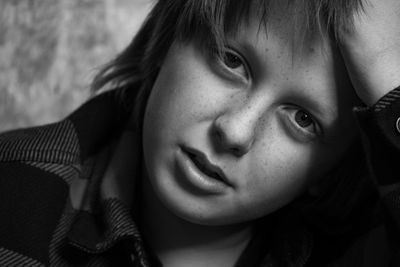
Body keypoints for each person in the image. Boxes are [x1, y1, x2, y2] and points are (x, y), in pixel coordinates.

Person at [0, 0, 399, 266]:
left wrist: (388, 82)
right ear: (168, 41)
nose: (235, 131)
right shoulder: (15, 192)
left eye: (303, 119)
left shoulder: (363, 249)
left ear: (328, 172)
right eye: (231, 60)